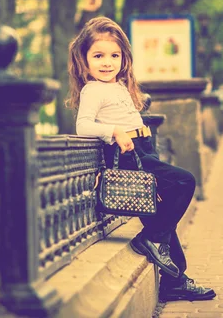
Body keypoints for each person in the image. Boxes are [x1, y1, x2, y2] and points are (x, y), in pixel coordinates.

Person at [66, 16, 215, 302]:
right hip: (127, 153)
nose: (107, 62)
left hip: (143, 148)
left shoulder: (119, 86)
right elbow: (83, 126)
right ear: (84, 60)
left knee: (161, 217)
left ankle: (174, 282)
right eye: (98, 56)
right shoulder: (92, 89)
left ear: (124, 58)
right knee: (184, 182)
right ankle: (150, 240)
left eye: (114, 55)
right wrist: (113, 131)